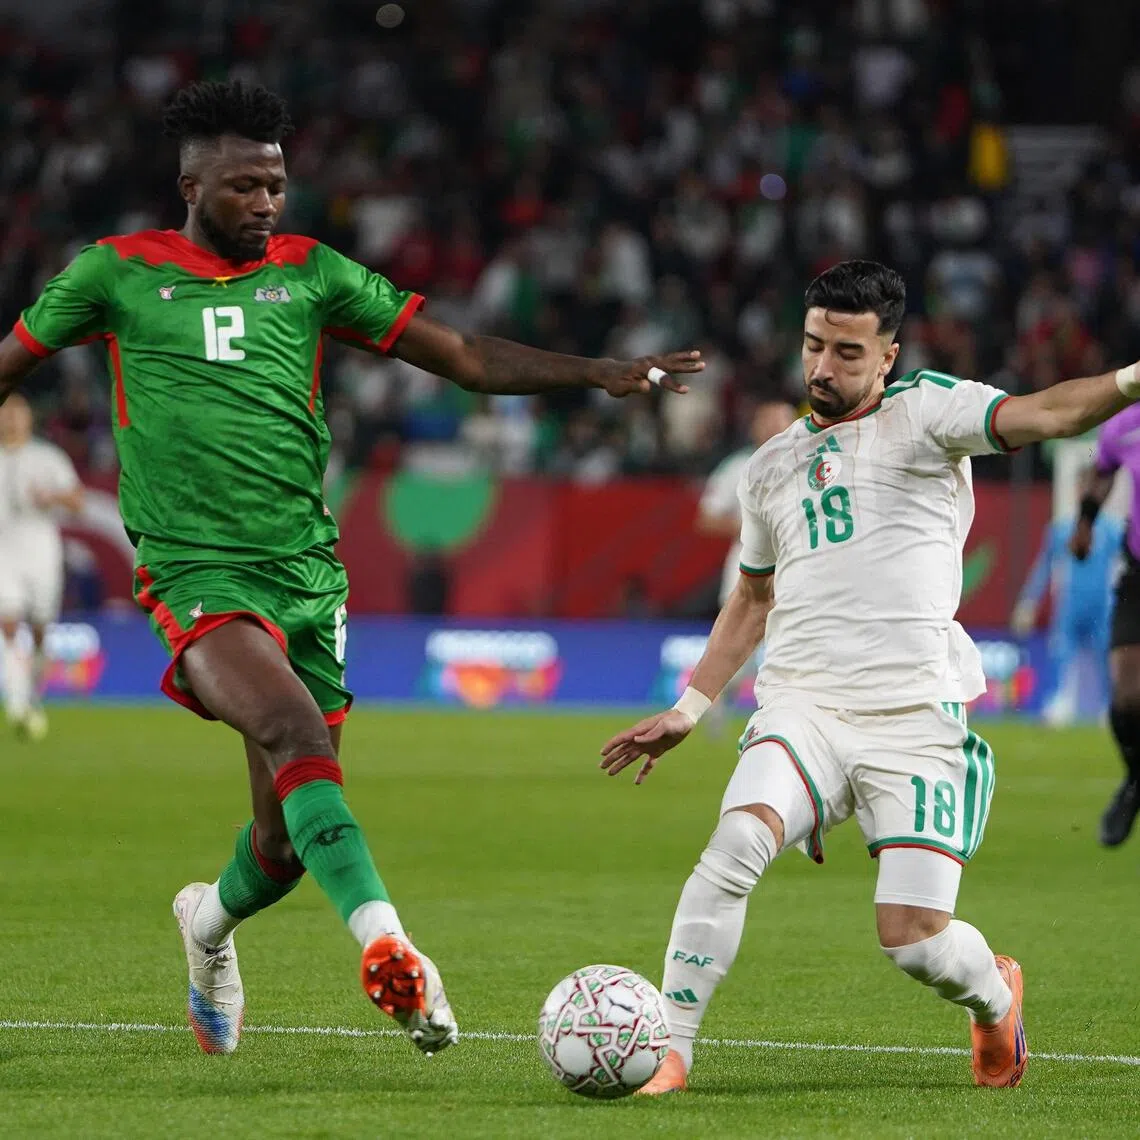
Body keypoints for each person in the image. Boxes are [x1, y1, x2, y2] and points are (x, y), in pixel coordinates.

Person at [0, 80, 703, 1059]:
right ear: (193, 184)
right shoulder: (114, 276)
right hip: (196, 570)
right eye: (246, 186)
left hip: (307, 576)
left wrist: (598, 373)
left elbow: (460, 354)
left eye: (278, 186)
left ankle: (207, 929)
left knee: (285, 843)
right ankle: (393, 950)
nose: (268, 203)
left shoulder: (314, 275)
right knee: (290, 729)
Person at [601, 258, 1140, 1093]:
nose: (823, 367)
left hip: (914, 714)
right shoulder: (769, 467)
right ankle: (672, 1049)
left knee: (915, 941)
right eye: (814, 345)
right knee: (737, 837)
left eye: (848, 352)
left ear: (886, 354)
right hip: (804, 705)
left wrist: (1133, 377)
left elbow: (1046, 413)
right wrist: (689, 707)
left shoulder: (930, 412)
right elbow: (751, 600)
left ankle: (996, 996)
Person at [696, 399, 797, 735]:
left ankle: (786, 715)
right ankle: (713, 705)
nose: (775, 427)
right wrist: (752, 528)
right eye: (767, 419)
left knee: (793, 643)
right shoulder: (738, 466)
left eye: (782, 418)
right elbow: (706, 518)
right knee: (739, 641)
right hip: (747, 567)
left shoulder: (809, 459)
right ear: (755, 427)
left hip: (798, 568)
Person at [1070, 408, 1140, 846]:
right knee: (1128, 693)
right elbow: (1102, 470)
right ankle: (1135, 780)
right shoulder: (1125, 425)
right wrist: (1084, 523)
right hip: (1139, 571)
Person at [0, 393, 84, 740]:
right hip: (4, 551)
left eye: (17, 413)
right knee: (7, 620)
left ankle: (32, 692)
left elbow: (78, 501)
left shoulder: (48, 457)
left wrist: (52, 497)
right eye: (5, 413)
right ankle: (17, 702)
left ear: (29, 418)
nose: (10, 420)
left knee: (39, 629)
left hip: (41, 551)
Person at [1012, 510, 1123, 726]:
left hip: (1101, 606)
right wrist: (1029, 601)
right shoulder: (1062, 529)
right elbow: (1044, 566)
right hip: (1070, 604)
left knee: (1105, 657)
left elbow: (1128, 559)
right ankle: (1061, 700)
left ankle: (1108, 706)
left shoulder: (1110, 529)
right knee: (1062, 653)